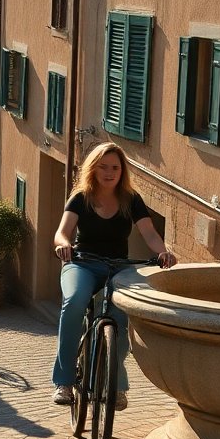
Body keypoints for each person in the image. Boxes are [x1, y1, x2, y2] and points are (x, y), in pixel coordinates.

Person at [50, 142, 176, 408]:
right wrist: (63, 245)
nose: (109, 172)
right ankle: (65, 381)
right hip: (82, 263)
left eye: (115, 168)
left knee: (120, 320)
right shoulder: (81, 198)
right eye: (103, 167)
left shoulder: (131, 200)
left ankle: (114, 385)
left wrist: (164, 252)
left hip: (119, 267)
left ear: (122, 171)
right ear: (93, 169)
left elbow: (150, 233)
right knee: (73, 303)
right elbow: (62, 232)